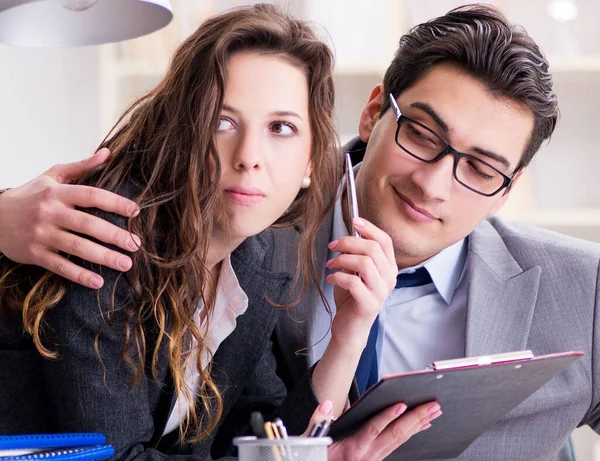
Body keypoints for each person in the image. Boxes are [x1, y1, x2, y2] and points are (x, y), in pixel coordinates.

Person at [3, 3, 591, 461]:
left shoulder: (249, 258)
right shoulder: (134, 236)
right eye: (422, 135)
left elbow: (261, 432)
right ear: (370, 116)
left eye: (481, 168)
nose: (435, 184)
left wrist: (348, 339)